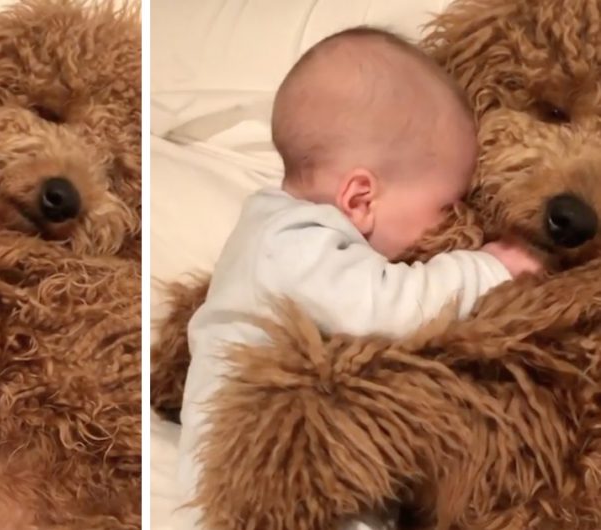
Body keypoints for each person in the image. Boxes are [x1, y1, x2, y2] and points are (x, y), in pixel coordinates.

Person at [177, 27, 542, 530]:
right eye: (444, 206)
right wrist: (489, 267)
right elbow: (388, 308)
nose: (449, 223)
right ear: (361, 199)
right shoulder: (292, 242)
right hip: (266, 487)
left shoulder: (278, 231)